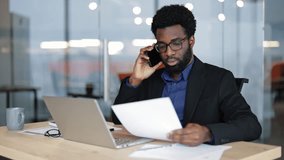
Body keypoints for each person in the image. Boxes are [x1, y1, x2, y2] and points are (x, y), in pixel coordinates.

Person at [112, 4, 261, 146]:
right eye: (162, 45)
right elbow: (119, 120)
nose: (169, 52)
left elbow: (251, 125)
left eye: (176, 43)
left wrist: (207, 133)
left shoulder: (219, 79)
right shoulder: (150, 80)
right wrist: (135, 79)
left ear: (191, 41)